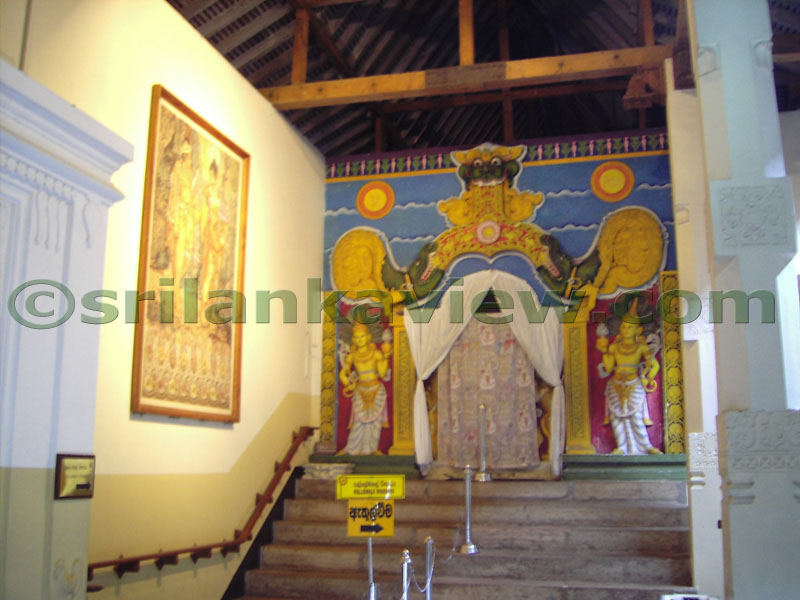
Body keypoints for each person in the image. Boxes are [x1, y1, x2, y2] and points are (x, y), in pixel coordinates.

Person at [596, 302, 662, 455]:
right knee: (617, 418)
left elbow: (655, 365)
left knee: (635, 416)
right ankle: (622, 447)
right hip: (615, 384)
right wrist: (604, 350)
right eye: (624, 327)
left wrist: (648, 378)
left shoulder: (641, 347)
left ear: (637, 330)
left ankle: (645, 446)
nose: (626, 330)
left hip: (634, 383)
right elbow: (609, 366)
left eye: (630, 327)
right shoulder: (614, 347)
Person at [339, 323, 392, 455]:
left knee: (375, 422)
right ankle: (352, 449)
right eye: (357, 337)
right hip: (360, 390)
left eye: (362, 336)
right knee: (358, 422)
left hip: (376, 388)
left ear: (368, 337)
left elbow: (381, 373)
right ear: (354, 339)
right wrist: (347, 383)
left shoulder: (376, 353)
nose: (360, 339)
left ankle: (371, 449)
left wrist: (386, 356)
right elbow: (343, 373)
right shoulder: (352, 356)